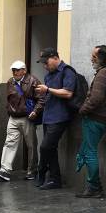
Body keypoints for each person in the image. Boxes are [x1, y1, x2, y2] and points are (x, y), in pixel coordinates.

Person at [75, 45, 106, 198]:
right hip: (102, 119)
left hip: (94, 119)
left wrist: (82, 110)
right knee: (90, 151)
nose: (91, 59)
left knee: (90, 153)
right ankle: (97, 186)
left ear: (101, 58)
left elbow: (96, 98)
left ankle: (93, 186)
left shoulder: (103, 74)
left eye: (94, 57)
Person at [33, 48, 77, 190]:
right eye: (43, 63)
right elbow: (47, 95)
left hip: (60, 116)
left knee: (45, 146)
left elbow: (68, 93)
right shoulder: (48, 75)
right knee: (51, 148)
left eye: (46, 62)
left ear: (54, 57)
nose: (45, 66)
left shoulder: (67, 71)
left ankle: (41, 171)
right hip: (48, 116)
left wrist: (48, 90)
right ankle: (54, 179)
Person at [0, 61, 40, 181]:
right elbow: (9, 99)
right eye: (13, 70)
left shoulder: (33, 81)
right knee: (9, 143)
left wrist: (35, 111)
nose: (15, 72)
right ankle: (5, 170)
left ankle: (32, 170)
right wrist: (9, 110)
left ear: (24, 70)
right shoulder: (10, 81)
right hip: (13, 117)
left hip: (27, 117)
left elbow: (41, 99)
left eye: (18, 70)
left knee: (31, 145)